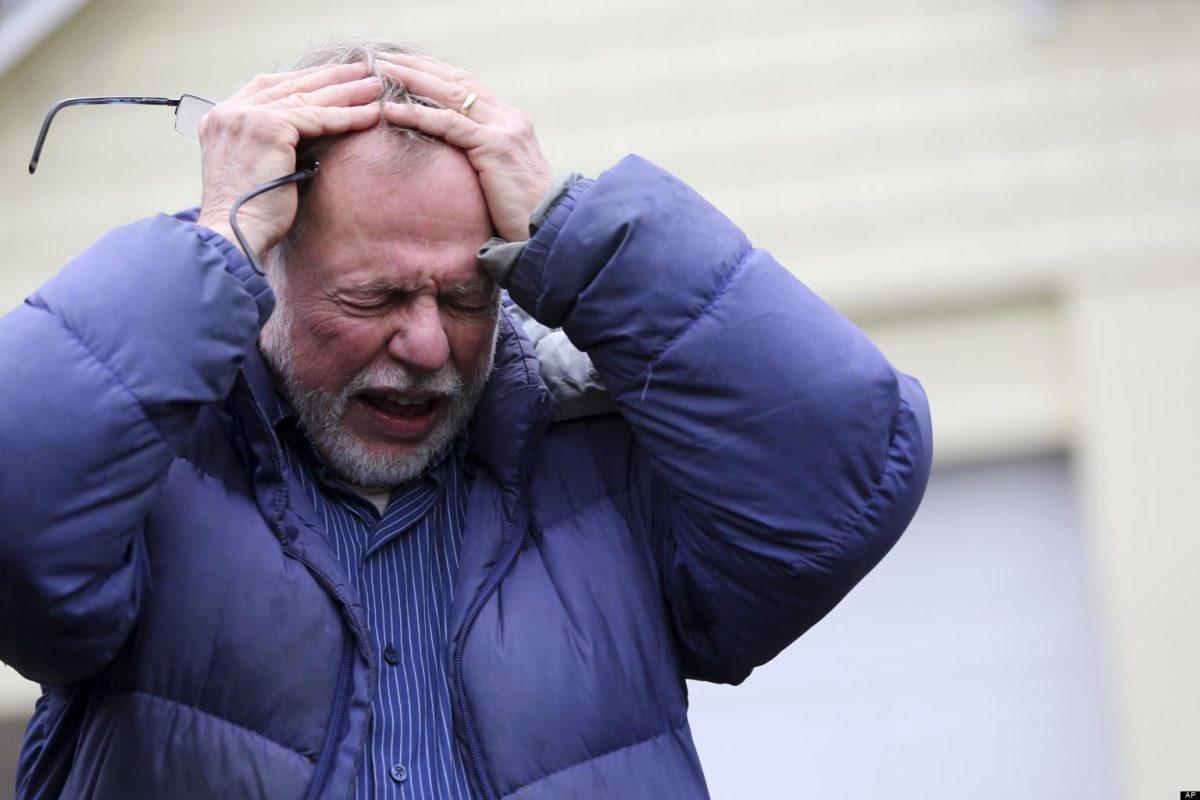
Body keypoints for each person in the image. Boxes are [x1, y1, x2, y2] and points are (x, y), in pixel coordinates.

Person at [0, 39, 932, 800]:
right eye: (372, 298)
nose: (427, 347)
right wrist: (210, 243)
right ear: (268, 273)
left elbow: (850, 474)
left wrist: (585, 233)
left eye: (463, 296)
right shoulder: (147, 463)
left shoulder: (601, 460)